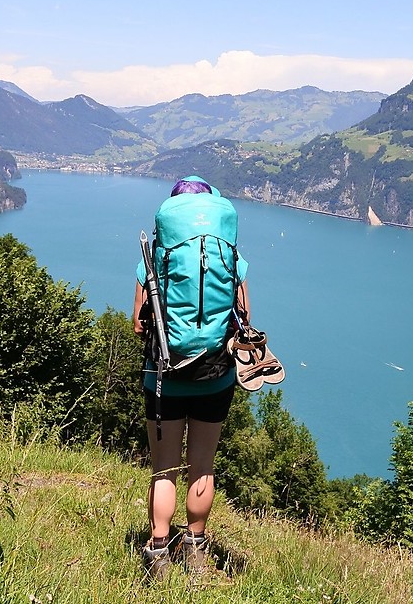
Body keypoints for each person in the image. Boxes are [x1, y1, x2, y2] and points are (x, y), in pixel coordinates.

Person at [133, 176, 249, 580]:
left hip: (165, 375)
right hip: (215, 376)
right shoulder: (231, 255)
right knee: (202, 465)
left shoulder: (155, 258)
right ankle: (196, 550)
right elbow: (242, 318)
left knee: (164, 468)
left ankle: (159, 552)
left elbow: (137, 322)